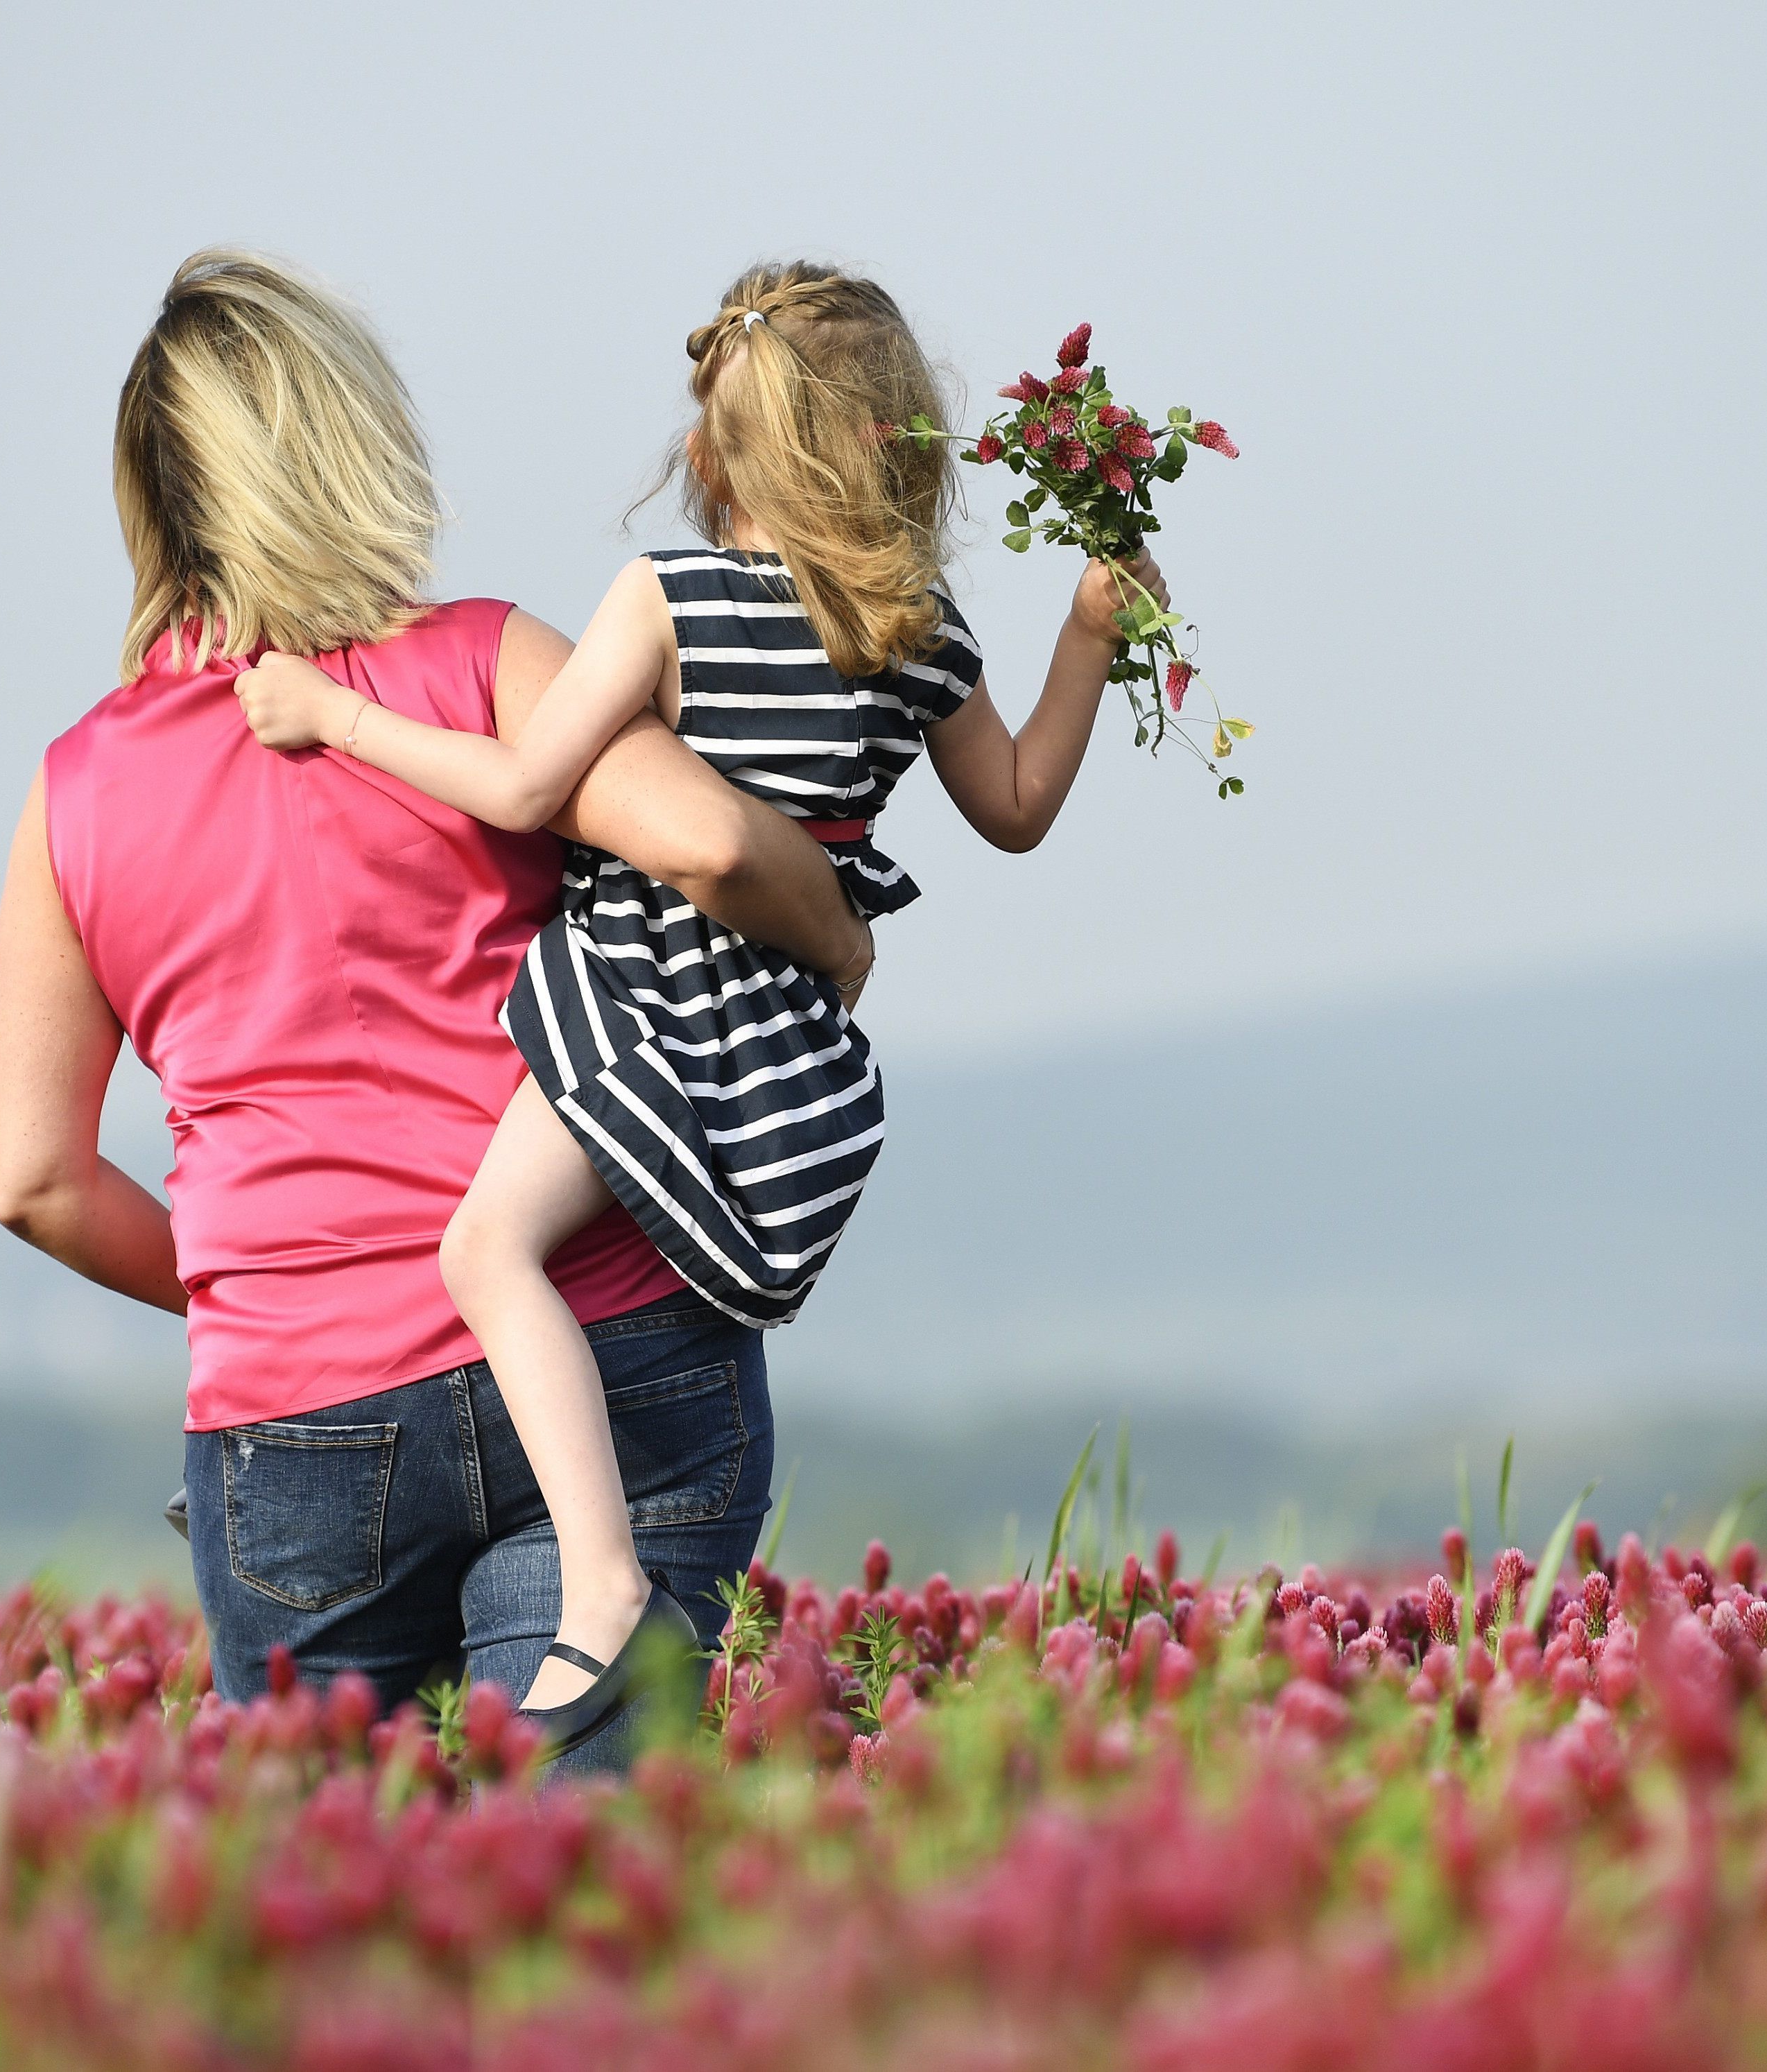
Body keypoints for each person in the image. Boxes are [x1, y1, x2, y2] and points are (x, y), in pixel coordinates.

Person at [233, 261, 1165, 1747]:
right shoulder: (916, 635)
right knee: (620, 1281)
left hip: (646, 1000)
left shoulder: (666, 600)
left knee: (486, 1250)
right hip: (784, 1048)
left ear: (713, 451)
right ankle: (610, 1559)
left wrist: (337, 716)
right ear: (893, 443)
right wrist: (1088, 639)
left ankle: (594, 1580)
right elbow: (1018, 807)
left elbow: (535, 791)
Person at [0, 249, 871, 1770]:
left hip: (298, 1413)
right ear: (351, 438)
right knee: (582, 1896)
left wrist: (272, 1292)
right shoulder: (480, 665)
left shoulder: (77, 791)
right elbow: (715, 845)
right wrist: (837, 940)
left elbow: (35, 1181)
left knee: (345, 1932)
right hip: (608, 1347)